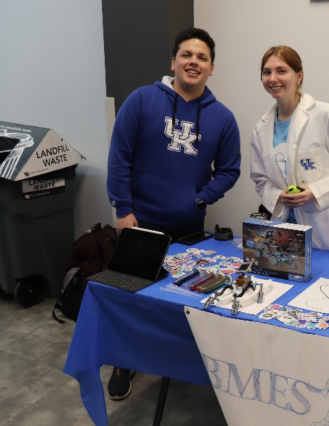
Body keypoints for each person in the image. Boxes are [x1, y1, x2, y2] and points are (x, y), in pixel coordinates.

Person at [106, 27, 241, 400]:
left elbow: (230, 169)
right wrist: (122, 208)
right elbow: (119, 157)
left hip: (189, 224)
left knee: (185, 299)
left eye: (201, 57)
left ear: (212, 68)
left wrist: (200, 199)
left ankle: (178, 360)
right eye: (186, 55)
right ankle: (122, 361)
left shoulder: (222, 118)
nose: (193, 62)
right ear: (173, 61)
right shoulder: (141, 100)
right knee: (130, 298)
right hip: (139, 220)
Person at [250, 46, 329, 256]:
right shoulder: (262, 128)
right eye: (267, 72)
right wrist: (278, 196)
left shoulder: (326, 115)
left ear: (299, 76)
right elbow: (260, 179)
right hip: (287, 234)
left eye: (281, 71)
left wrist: (316, 192)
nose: (273, 78)